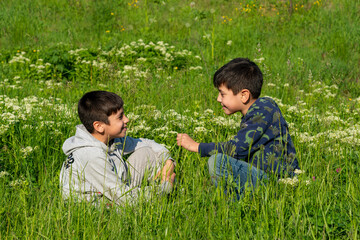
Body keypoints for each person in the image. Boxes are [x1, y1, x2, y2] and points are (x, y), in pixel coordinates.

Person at [177, 58, 299, 198]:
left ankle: (233, 206)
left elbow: (236, 149)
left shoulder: (263, 109)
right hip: (269, 179)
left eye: (222, 94)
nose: (218, 99)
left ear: (244, 95)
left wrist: (197, 146)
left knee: (218, 162)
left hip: (277, 182)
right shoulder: (257, 112)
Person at [60, 90, 176, 206]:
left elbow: (147, 143)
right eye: (120, 117)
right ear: (99, 126)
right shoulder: (92, 155)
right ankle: (164, 196)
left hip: (112, 192)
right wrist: (166, 186)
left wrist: (169, 162)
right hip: (97, 208)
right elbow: (126, 199)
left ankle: (162, 194)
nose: (127, 120)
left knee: (147, 153)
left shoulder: (110, 139)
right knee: (130, 203)